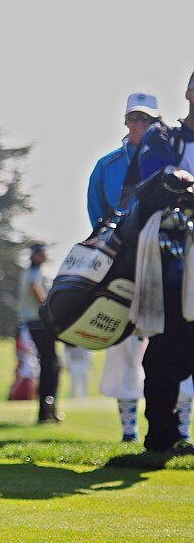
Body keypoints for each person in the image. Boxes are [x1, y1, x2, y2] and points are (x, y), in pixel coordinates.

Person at [84, 92, 185, 441]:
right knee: (124, 348)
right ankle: (128, 430)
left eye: (147, 120)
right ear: (126, 122)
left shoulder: (169, 150)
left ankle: (180, 428)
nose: (140, 125)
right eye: (134, 119)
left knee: (175, 343)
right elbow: (98, 215)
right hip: (123, 261)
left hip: (167, 256)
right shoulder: (108, 166)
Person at [131, 72, 194, 453]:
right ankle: (162, 435)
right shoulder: (164, 135)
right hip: (173, 251)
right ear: (188, 93)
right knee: (169, 345)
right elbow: (157, 177)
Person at [19, 241, 62, 423]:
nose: (45, 256)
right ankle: (46, 409)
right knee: (50, 365)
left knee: (50, 364)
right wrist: (49, 309)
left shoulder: (31, 272)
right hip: (39, 323)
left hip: (36, 323)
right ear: (35, 255)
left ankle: (46, 409)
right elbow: (35, 289)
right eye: (42, 253)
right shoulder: (34, 273)